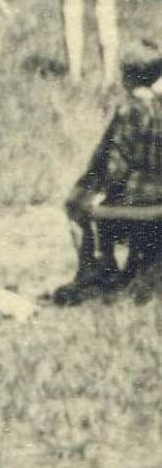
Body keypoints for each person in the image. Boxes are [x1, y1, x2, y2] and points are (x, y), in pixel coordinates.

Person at [53, 76, 162, 303]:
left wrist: (92, 191)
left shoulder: (136, 107)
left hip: (144, 203)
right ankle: (139, 266)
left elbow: (113, 163)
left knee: (77, 204)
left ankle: (95, 270)